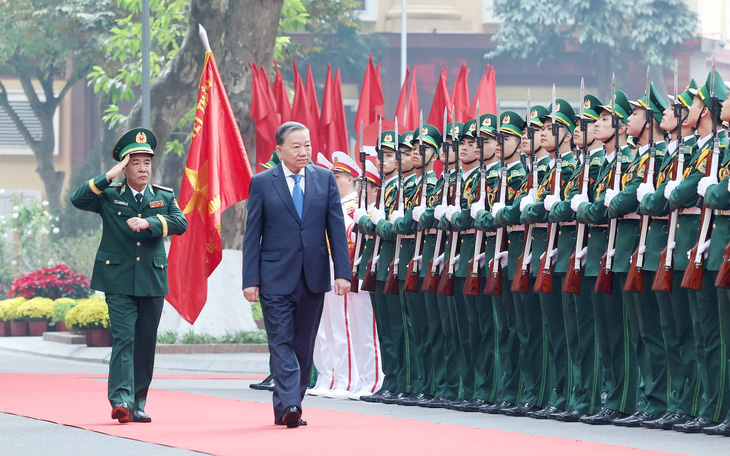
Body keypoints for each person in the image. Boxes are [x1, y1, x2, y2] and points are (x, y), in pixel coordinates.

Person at [70, 127, 187, 424]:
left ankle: (138, 401)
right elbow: (78, 199)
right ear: (124, 167)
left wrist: (149, 223)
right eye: (135, 162)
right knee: (124, 338)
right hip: (118, 279)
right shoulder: (108, 195)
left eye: (147, 162)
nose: (143, 168)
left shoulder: (163, 196)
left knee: (145, 341)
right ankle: (120, 399)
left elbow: (180, 222)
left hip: (152, 278)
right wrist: (108, 175)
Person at [242, 121, 351, 428]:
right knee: (281, 341)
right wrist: (250, 279)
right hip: (275, 277)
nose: (304, 152)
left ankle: (289, 404)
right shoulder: (263, 182)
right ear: (279, 151)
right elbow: (253, 234)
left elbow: (336, 230)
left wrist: (342, 273)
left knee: (303, 345)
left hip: (313, 276)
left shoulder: (324, 179)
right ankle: (291, 403)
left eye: (307, 146)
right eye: (296, 146)